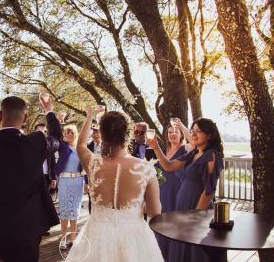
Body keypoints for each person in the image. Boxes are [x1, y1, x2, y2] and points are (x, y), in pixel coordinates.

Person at [0, 94, 62, 262]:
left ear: (0, 115)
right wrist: (49, 112)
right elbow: (57, 137)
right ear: (26, 118)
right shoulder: (36, 142)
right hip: (29, 228)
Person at [66, 106, 164, 262]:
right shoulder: (145, 169)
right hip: (134, 238)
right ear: (128, 134)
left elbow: (81, 146)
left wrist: (90, 115)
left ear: (102, 134)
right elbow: (154, 212)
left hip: (96, 236)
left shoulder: (93, 163)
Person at [147, 118, 224, 262]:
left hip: (196, 210)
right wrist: (156, 147)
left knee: (195, 249)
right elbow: (168, 166)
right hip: (182, 207)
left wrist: (194, 216)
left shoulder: (212, 155)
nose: (194, 134)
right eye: (192, 130)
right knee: (181, 246)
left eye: (198, 131)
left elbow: (209, 190)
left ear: (209, 135)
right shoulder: (193, 153)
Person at [155, 124, 189, 260]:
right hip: (163, 189)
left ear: (181, 134)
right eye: (170, 132)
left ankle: (176, 255)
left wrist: (180, 125)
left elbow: (194, 141)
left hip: (178, 189)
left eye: (176, 132)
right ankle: (163, 253)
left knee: (176, 222)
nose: (172, 134)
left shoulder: (185, 149)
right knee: (163, 221)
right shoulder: (163, 149)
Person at [53, 124, 86, 249]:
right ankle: (63, 238)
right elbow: (56, 137)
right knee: (64, 210)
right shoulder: (62, 146)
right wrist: (59, 121)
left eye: (72, 132)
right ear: (64, 134)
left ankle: (73, 238)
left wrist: (87, 183)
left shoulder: (80, 148)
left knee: (75, 210)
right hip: (64, 181)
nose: (70, 134)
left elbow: (86, 165)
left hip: (78, 181)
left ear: (76, 134)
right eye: (67, 132)